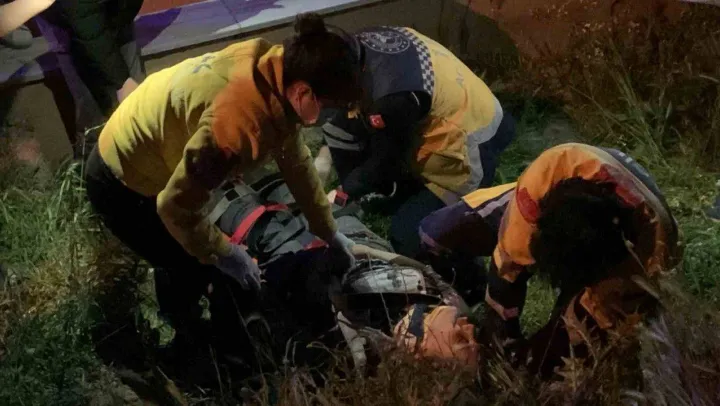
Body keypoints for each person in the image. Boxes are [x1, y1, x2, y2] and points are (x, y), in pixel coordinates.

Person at [83, 13, 359, 360]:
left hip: (152, 141)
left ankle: (198, 327)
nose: (327, 116)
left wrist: (328, 230)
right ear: (303, 92)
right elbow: (174, 207)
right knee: (192, 264)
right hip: (121, 176)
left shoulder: (274, 67)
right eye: (328, 106)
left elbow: (296, 162)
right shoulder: (237, 125)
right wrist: (226, 253)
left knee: (191, 252)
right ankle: (192, 347)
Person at [419, 143, 682, 375]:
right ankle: (471, 293)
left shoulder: (649, 256)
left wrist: (536, 355)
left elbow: (595, 319)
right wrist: (504, 332)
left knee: (558, 351)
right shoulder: (544, 181)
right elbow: (506, 269)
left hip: (619, 253)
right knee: (434, 235)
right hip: (555, 187)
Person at [316, 25, 517, 259]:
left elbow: (385, 162)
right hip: (468, 104)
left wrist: (344, 192)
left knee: (410, 236)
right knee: (340, 123)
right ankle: (386, 193)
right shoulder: (357, 47)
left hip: (469, 151)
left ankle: (466, 275)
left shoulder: (391, 98)